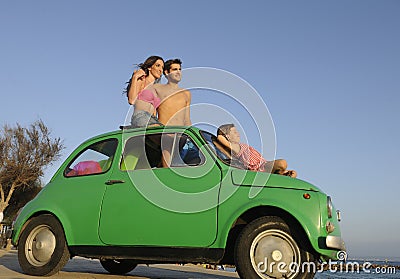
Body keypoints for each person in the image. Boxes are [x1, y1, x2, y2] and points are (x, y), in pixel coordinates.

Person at [216, 124, 297, 177]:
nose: (238, 134)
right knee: (282, 163)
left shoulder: (240, 146)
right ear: (227, 136)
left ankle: (284, 173)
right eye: (234, 132)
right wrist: (222, 135)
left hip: (265, 164)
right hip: (261, 168)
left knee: (286, 168)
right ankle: (282, 173)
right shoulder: (236, 148)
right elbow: (220, 138)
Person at [125, 55, 164, 128]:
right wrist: (135, 77)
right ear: (149, 67)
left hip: (153, 119)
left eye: (162, 67)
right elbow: (131, 100)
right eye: (158, 66)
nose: (160, 70)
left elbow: (154, 111)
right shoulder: (142, 80)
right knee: (158, 131)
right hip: (140, 116)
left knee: (169, 133)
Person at [154, 58, 191, 126]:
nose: (178, 72)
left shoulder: (186, 93)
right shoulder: (158, 89)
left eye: (179, 69)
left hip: (180, 134)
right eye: (175, 69)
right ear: (167, 72)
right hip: (164, 132)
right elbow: (152, 114)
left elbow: (187, 119)